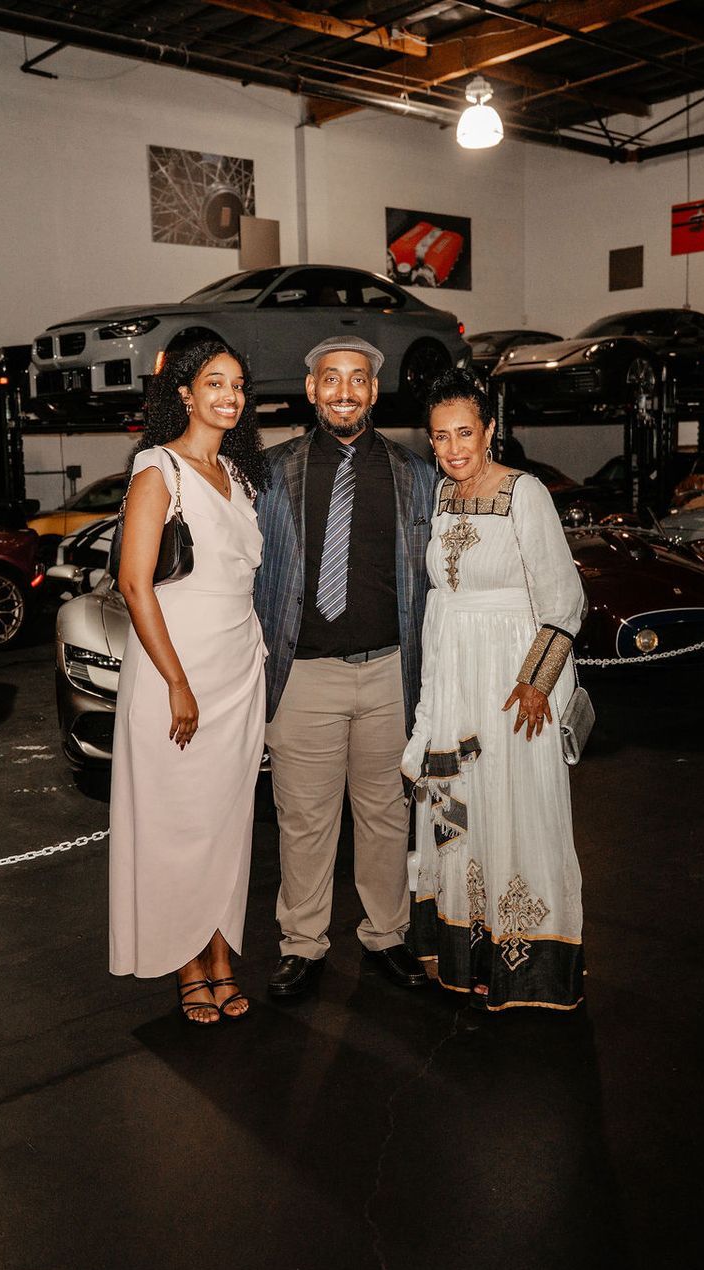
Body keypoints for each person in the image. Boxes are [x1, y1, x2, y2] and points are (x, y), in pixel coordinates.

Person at [253, 336, 438, 999]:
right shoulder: (269, 473)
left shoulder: (415, 475)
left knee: (388, 813)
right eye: (331, 379)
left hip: (391, 674)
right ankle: (302, 943)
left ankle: (386, 933)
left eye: (357, 380)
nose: (344, 391)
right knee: (304, 818)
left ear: (374, 391)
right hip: (303, 677)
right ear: (311, 391)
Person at [403, 368, 587, 1011]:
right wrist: (429, 706)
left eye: (465, 433)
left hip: (512, 681)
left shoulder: (524, 492)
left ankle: (524, 964)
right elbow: (440, 601)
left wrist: (537, 682)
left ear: (488, 430)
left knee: (517, 805)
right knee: (455, 805)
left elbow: (565, 598)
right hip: (454, 676)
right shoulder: (443, 498)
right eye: (440, 438)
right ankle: (464, 947)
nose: (454, 449)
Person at [108, 340, 270, 1025]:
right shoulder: (158, 470)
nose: (228, 396)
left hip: (238, 674)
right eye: (214, 382)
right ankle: (186, 965)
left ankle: (221, 956)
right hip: (178, 676)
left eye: (237, 384)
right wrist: (176, 681)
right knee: (178, 826)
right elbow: (133, 584)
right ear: (184, 392)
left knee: (226, 827)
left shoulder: (239, 472)